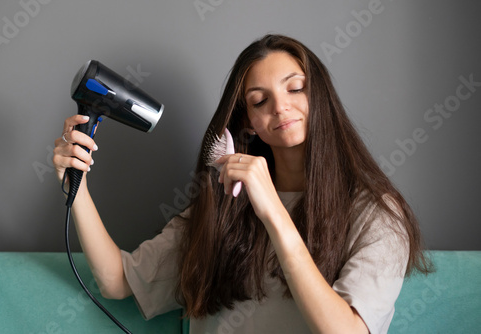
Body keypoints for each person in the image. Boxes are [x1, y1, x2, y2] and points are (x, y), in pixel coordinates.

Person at [53, 34, 431, 333]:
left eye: (295, 88)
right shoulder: (221, 207)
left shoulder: (376, 215)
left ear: (322, 97)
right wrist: (78, 185)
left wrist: (274, 214)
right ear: (248, 121)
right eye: (259, 100)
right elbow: (117, 282)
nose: (279, 107)